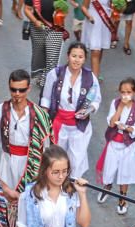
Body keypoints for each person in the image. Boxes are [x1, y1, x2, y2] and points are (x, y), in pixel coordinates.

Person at [0, 69, 53, 203]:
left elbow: (46, 145)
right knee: (5, 199)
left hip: (31, 162)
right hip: (8, 161)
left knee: (30, 199)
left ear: (28, 89)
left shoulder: (40, 115)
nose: (17, 94)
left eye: (21, 90)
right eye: (13, 90)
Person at [42, 42, 102, 179]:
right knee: (57, 159)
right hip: (59, 123)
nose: (76, 59)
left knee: (76, 160)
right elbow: (45, 98)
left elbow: (96, 99)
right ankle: (57, 185)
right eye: (74, 56)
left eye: (80, 57)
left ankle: (72, 188)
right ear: (68, 56)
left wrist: (88, 110)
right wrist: (44, 119)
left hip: (79, 126)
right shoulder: (55, 74)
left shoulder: (89, 77)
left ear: (84, 59)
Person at [96, 77, 135, 215]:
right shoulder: (115, 103)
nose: (125, 95)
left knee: (125, 172)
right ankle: (107, 185)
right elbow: (111, 123)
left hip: (128, 145)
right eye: (123, 92)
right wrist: (121, 107)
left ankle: (122, 197)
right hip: (113, 142)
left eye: (128, 92)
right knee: (109, 168)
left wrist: (128, 128)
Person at [25, 0, 68, 89]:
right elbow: (27, 9)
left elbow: (65, 10)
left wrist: (62, 14)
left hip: (55, 28)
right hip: (38, 28)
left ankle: (47, 83)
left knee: (52, 56)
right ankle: (41, 76)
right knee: (39, 54)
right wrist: (35, 21)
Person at [81, 0, 116, 79]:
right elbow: (83, 7)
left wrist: (116, 12)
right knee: (96, 51)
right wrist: (89, 16)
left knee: (100, 49)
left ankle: (95, 71)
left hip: (105, 21)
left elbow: (112, 5)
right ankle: (95, 81)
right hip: (94, 22)